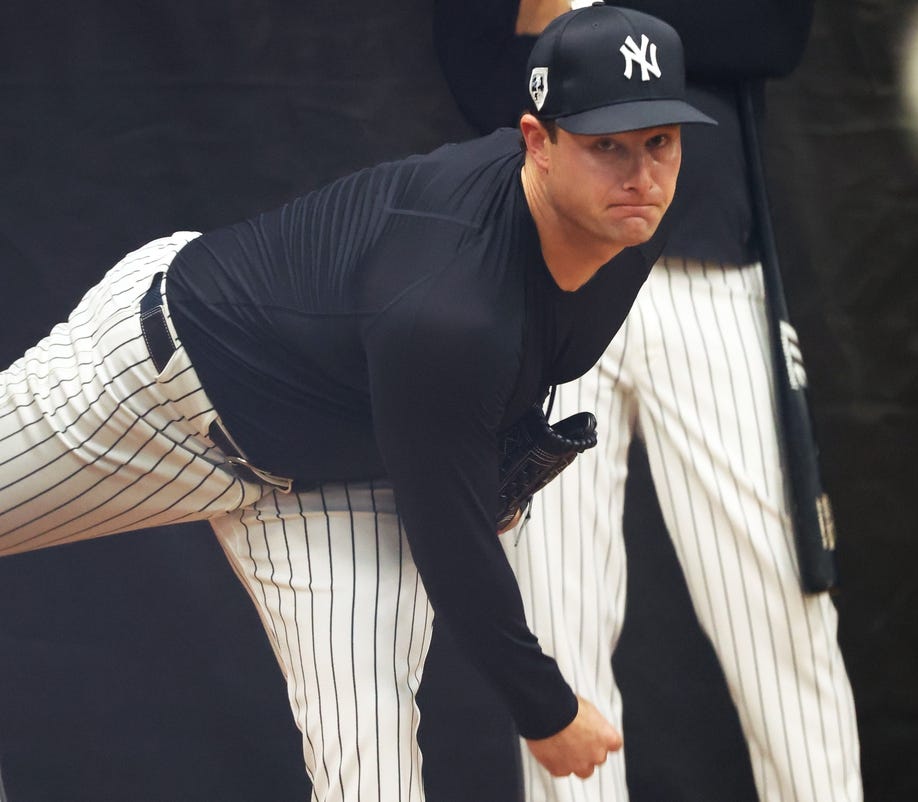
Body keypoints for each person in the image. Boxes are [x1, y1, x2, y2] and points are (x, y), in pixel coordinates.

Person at [0, 6, 718, 801]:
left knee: (371, 768)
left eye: (659, 141)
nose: (641, 173)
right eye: (606, 144)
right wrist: (545, 711)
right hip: (155, 390)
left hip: (335, 474)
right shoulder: (448, 305)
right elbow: (453, 541)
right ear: (537, 142)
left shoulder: (630, 218)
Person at [434, 1, 864, 800]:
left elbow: (775, 30)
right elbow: (477, 75)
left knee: (780, 620)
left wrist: (580, 16)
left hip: (705, 265)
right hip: (549, 273)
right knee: (559, 629)